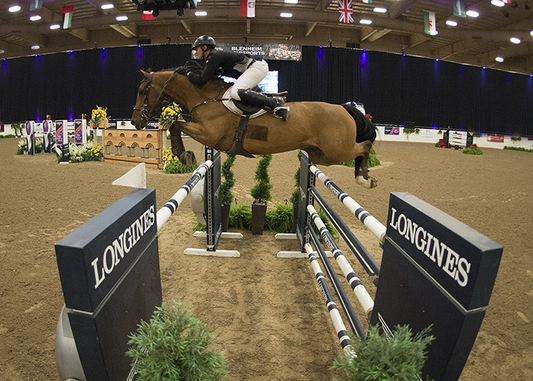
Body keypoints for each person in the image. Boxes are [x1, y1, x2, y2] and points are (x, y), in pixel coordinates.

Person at [186, 35, 289, 121]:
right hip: (255, 67)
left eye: (197, 49)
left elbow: (201, 80)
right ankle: (267, 99)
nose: (195, 52)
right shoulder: (214, 58)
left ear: (204, 47)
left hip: (256, 66)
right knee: (238, 91)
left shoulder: (214, 56)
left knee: (236, 92)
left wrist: (188, 72)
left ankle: (275, 102)